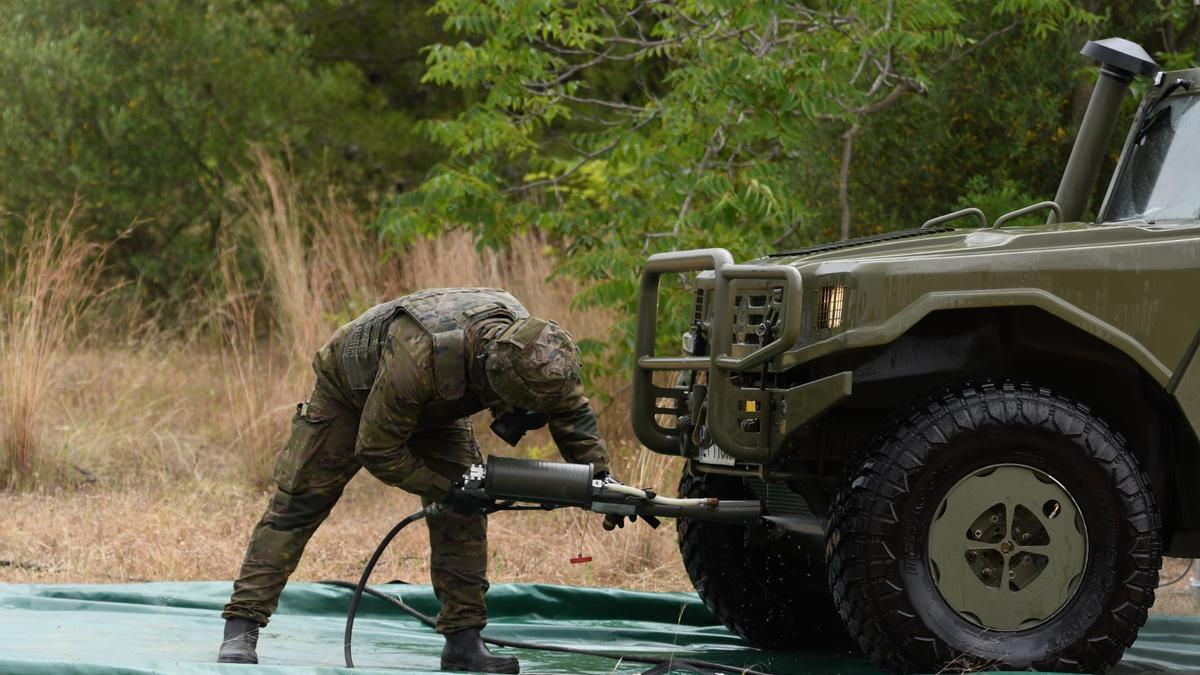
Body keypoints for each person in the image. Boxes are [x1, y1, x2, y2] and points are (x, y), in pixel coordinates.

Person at [217, 288, 624, 673]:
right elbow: (376, 448)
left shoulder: (538, 354)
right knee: (299, 504)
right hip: (351, 393)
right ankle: (241, 626)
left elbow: (570, 411)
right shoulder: (422, 356)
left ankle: (463, 641)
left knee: (465, 511)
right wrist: (443, 489)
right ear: (494, 383)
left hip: (434, 406)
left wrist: (600, 479)